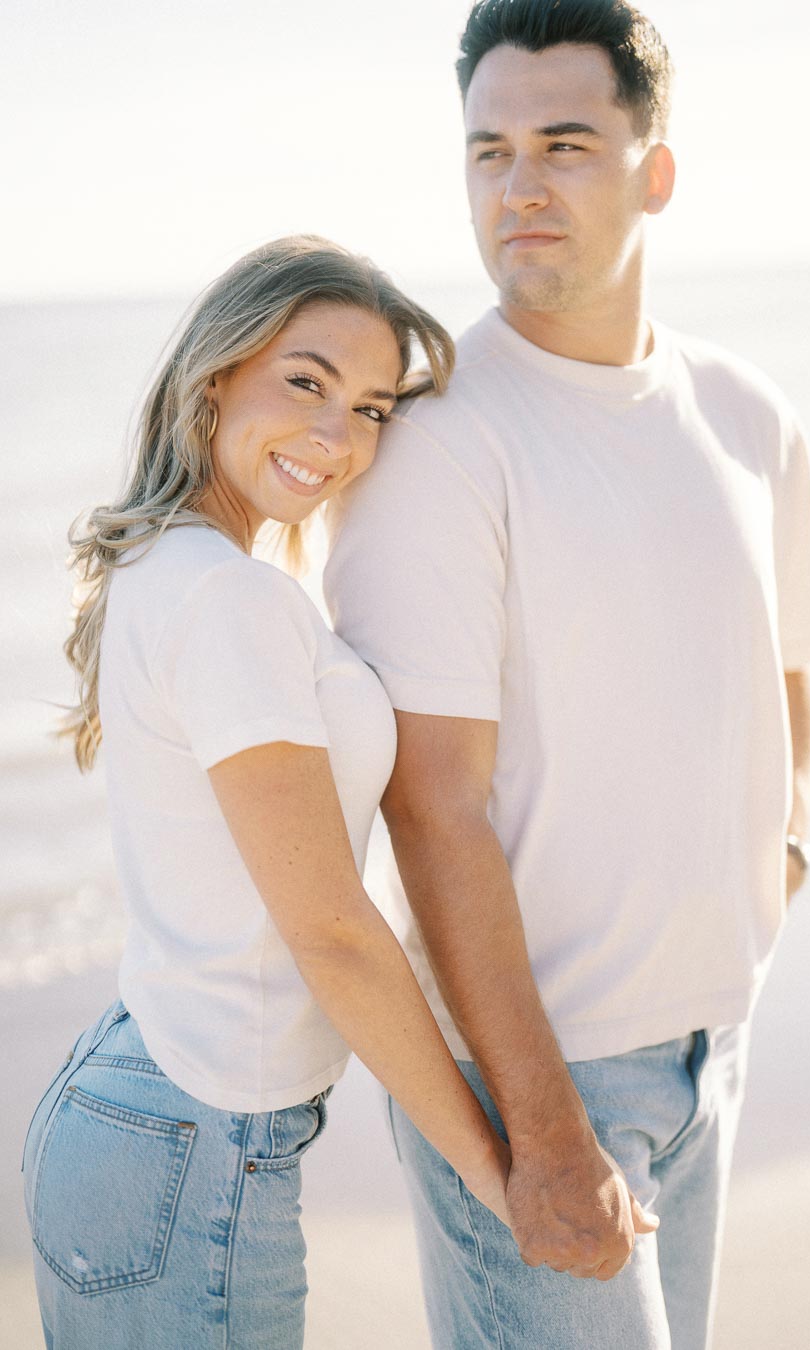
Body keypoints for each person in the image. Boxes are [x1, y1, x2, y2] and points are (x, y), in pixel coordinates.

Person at [324, 3, 810, 1347]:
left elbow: (788, 673)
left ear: (654, 169)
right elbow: (433, 805)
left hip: (713, 1046)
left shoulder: (748, 413)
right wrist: (545, 1131)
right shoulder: (440, 447)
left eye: (564, 143)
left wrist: (778, 864)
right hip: (533, 1082)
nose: (521, 185)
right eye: (489, 151)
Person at [20, 235, 512, 1349]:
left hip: (143, 1101)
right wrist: (490, 1162)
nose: (338, 438)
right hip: (189, 1138)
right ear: (217, 373)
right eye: (307, 382)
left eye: (376, 409)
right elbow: (332, 930)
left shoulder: (171, 566)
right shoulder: (226, 599)